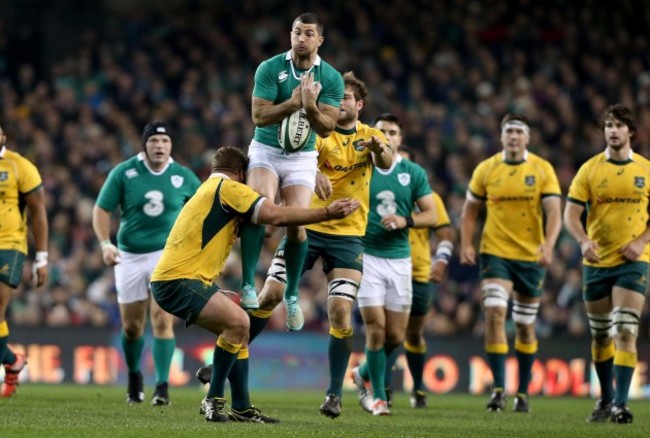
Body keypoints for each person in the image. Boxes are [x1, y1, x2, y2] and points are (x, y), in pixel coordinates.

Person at [193, 71, 393, 419]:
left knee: (341, 311)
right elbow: (297, 158)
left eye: (347, 97)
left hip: (347, 236)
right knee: (269, 294)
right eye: (337, 97)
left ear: (359, 104)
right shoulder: (317, 134)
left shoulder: (371, 136)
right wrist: (311, 172)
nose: (340, 102)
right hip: (307, 226)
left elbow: (387, 160)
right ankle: (221, 363)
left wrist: (380, 149)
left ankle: (333, 394)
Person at [150, 146, 360, 423]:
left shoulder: (211, 189)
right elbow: (272, 216)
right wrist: (325, 214)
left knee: (240, 328)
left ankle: (242, 407)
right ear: (241, 173)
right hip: (177, 280)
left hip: (179, 278)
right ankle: (213, 399)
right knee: (238, 322)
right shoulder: (229, 188)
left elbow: (265, 226)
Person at [238, 12, 344, 332]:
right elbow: (259, 115)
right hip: (266, 151)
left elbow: (326, 129)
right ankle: (246, 285)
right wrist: (295, 102)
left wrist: (310, 106)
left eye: (308, 33)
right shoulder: (270, 68)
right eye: (297, 32)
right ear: (290, 35)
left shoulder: (332, 78)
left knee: (297, 227)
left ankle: (293, 294)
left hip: (301, 158)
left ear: (319, 40)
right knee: (259, 209)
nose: (301, 38)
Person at [92, 121, 201, 405]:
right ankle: (134, 377)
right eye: (154, 141)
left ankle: (162, 387)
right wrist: (106, 243)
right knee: (132, 327)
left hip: (167, 256)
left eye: (164, 142)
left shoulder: (185, 177)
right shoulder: (125, 172)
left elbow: (203, 214)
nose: (159, 147)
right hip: (128, 256)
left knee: (163, 320)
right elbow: (101, 210)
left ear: (171, 147)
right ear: (144, 145)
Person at [459, 113, 562, 413]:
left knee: (525, 325)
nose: (514, 136)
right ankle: (498, 390)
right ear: (501, 137)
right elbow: (470, 210)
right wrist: (466, 243)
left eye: (519, 131)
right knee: (493, 313)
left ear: (527, 138)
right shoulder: (487, 169)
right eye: (509, 131)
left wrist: (549, 245)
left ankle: (523, 393)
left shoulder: (542, 169)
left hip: (530, 255)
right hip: (496, 252)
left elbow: (555, 210)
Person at [564, 104, 649, 424]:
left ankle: (621, 405)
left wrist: (642, 241)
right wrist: (584, 241)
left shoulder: (645, 170)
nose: (613, 130)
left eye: (619, 125)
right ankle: (605, 398)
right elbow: (570, 213)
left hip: (634, 261)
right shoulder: (589, 169)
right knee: (600, 335)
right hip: (597, 261)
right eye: (608, 125)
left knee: (625, 329)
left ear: (631, 132)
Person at [351, 113, 437, 416]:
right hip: (367, 257)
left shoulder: (413, 173)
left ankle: (361, 371)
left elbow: (432, 214)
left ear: (400, 139)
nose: (386, 136)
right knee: (376, 329)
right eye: (381, 130)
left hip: (400, 260)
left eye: (393, 132)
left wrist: (406, 219)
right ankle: (377, 397)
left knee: (396, 337)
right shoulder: (359, 165)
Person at [385, 146, 455, 409]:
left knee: (413, 335)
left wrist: (442, 259)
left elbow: (446, 234)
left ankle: (417, 388)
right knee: (388, 332)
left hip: (419, 273)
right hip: (387, 269)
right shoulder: (379, 190)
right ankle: (383, 386)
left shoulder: (429, 198)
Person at [0, 122, 48, 397]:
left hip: (9, 246)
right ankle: (12, 361)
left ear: (3, 136)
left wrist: (41, 257)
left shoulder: (20, 166)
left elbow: (38, 211)